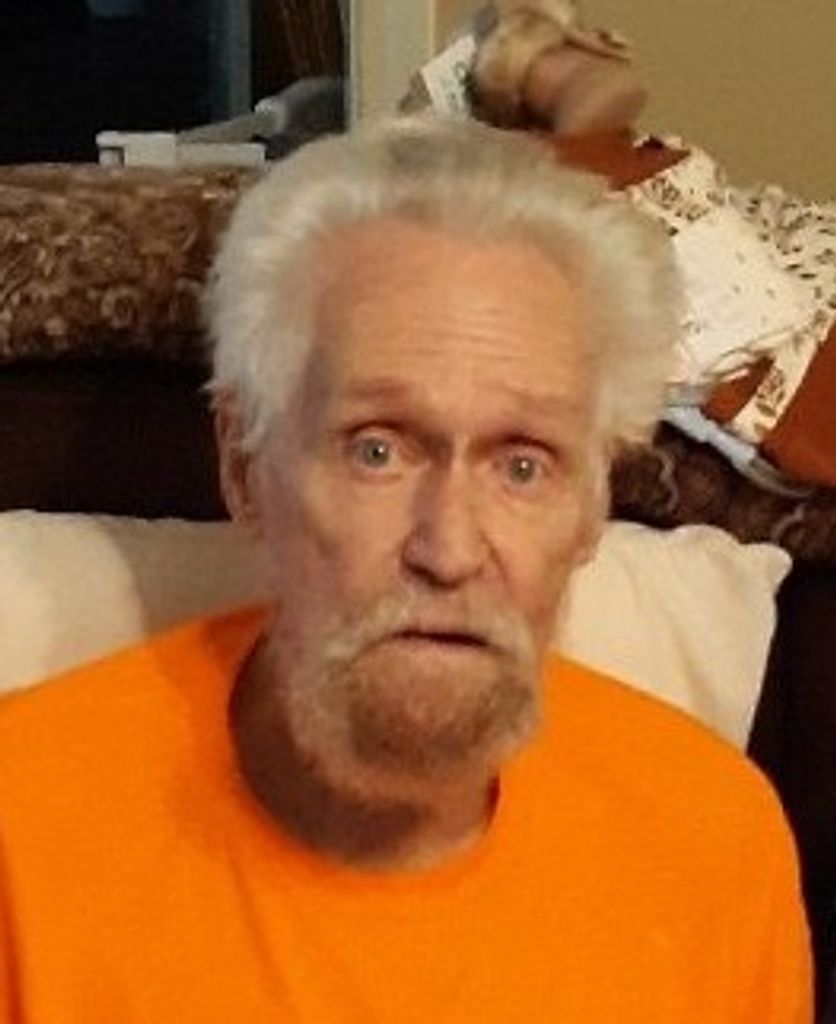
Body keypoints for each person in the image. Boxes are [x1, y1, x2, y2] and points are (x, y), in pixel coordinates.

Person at [0, 116, 812, 1022]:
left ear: (591, 506)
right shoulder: (22, 836)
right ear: (244, 465)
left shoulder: (715, 847)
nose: (449, 550)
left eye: (523, 465)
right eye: (376, 450)